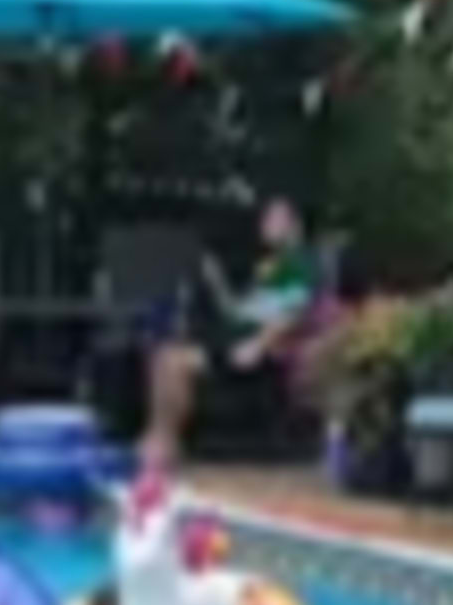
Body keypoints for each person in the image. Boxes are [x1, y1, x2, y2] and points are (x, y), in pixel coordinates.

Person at [136, 196, 327, 480]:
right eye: (266, 219)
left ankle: (162, 446)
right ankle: (161, 440)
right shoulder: (273, 265)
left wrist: (258, 345)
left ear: (294, 225)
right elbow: (242, 312)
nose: (265, 225)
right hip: (235, 339)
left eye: (274, 219)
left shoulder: (301, 263)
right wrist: (216, 282)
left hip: (256, 352)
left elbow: (292, 314)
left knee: (172, 363)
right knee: (162, 356)